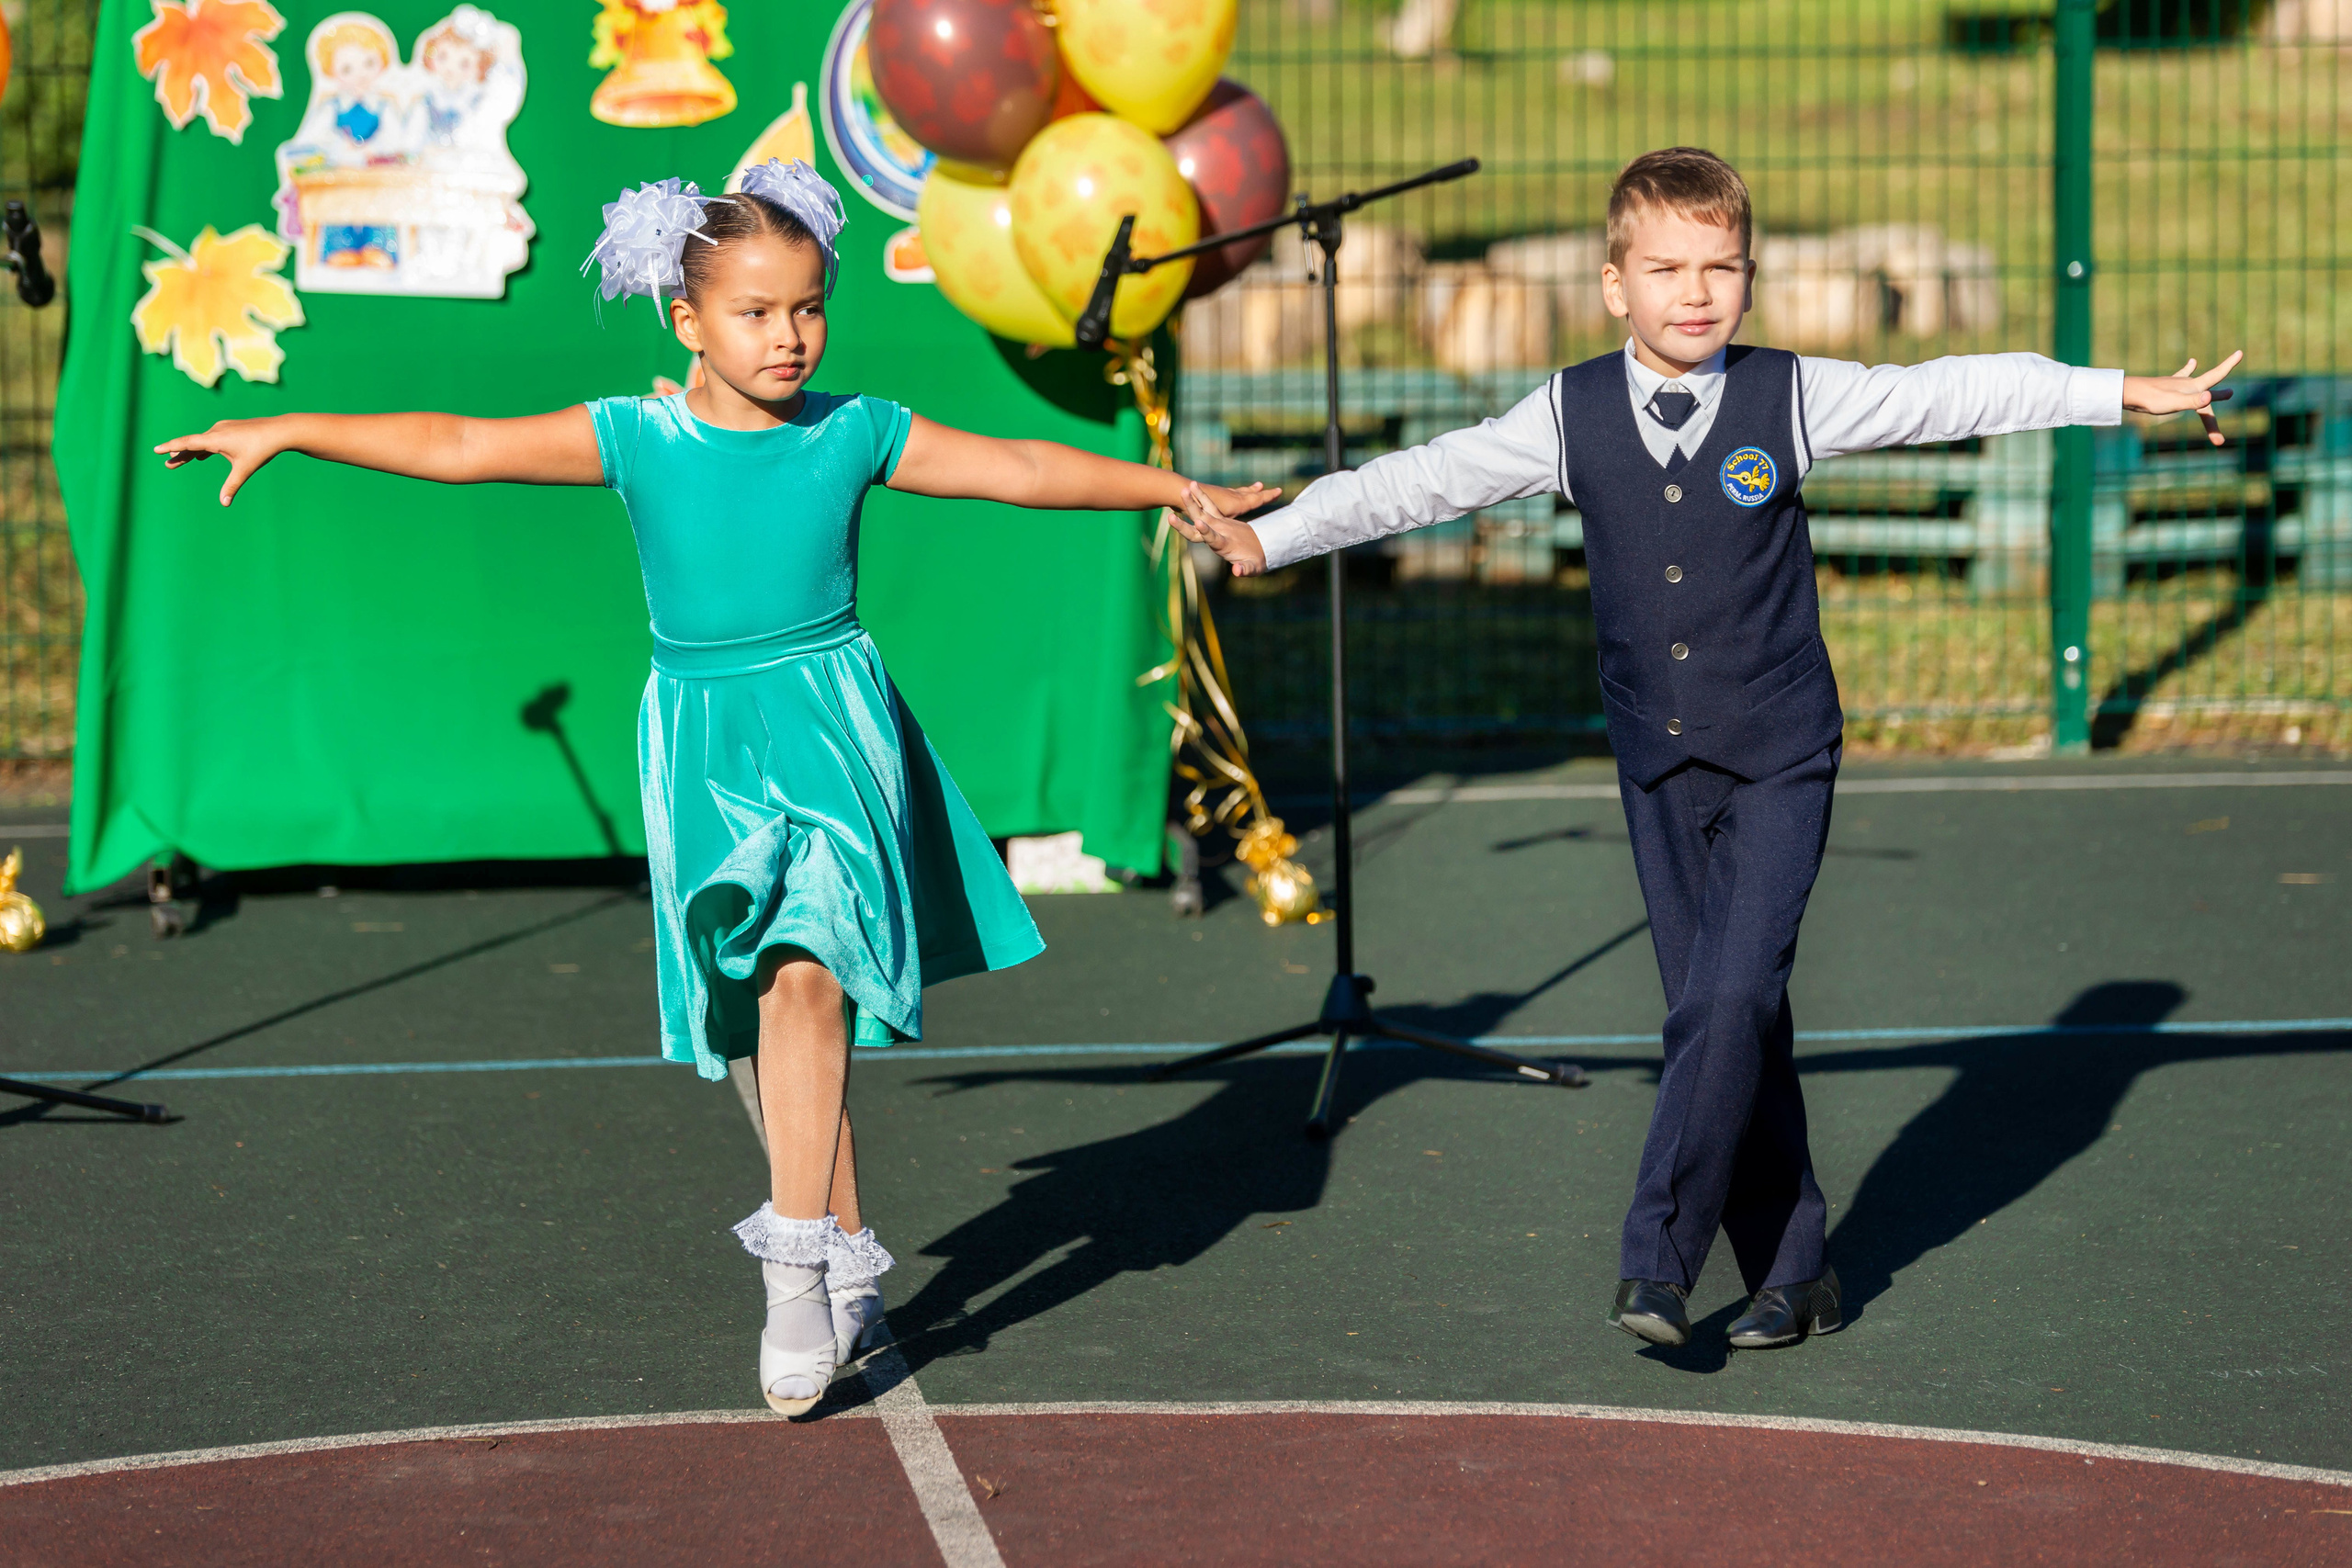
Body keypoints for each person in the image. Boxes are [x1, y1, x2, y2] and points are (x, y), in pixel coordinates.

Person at [156, 159, 1272, 1414]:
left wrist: (1173, 487)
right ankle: (839, 1242)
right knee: (757, 1007)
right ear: (686, 322)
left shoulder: (857, 430)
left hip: (830, 727)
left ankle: (794, 1267)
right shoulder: (639, 436)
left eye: (808, 307)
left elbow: (1017, 467)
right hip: (700, 740)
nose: (790, 336)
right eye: (756, 313)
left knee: (810, 969)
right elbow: (458, 443)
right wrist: (290, 427)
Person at [1171, 146, 2234, 1351]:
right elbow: (1425, 483)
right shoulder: (1566, 414)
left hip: (1780, 752)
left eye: (1721, 267)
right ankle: (1799, 1273)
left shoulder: (1793, 396)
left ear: (1749, 277)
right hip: (1656, 763)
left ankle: (1656, 1261)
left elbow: (1956, 390)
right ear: (1614, 284)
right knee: (1731, 1017)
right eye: (1667, 268)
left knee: (1725, 1000)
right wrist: (1279, 537)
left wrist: (2120, 392)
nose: (1696, 290)